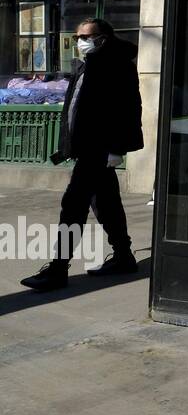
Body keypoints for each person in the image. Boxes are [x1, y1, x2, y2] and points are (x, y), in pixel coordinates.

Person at [20, 18, 144, 292]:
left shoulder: (117, 65)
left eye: (85, 36)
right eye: (77, 37)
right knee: (107, 204)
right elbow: (75, 108)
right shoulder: (88, 64)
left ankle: (57, 269)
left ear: (104, 37)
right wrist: (68, 145)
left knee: (73, 205)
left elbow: (127, 109)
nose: (80, 41)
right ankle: (123, 256)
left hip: (98, 150)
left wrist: (117, 149)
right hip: (87, 147)